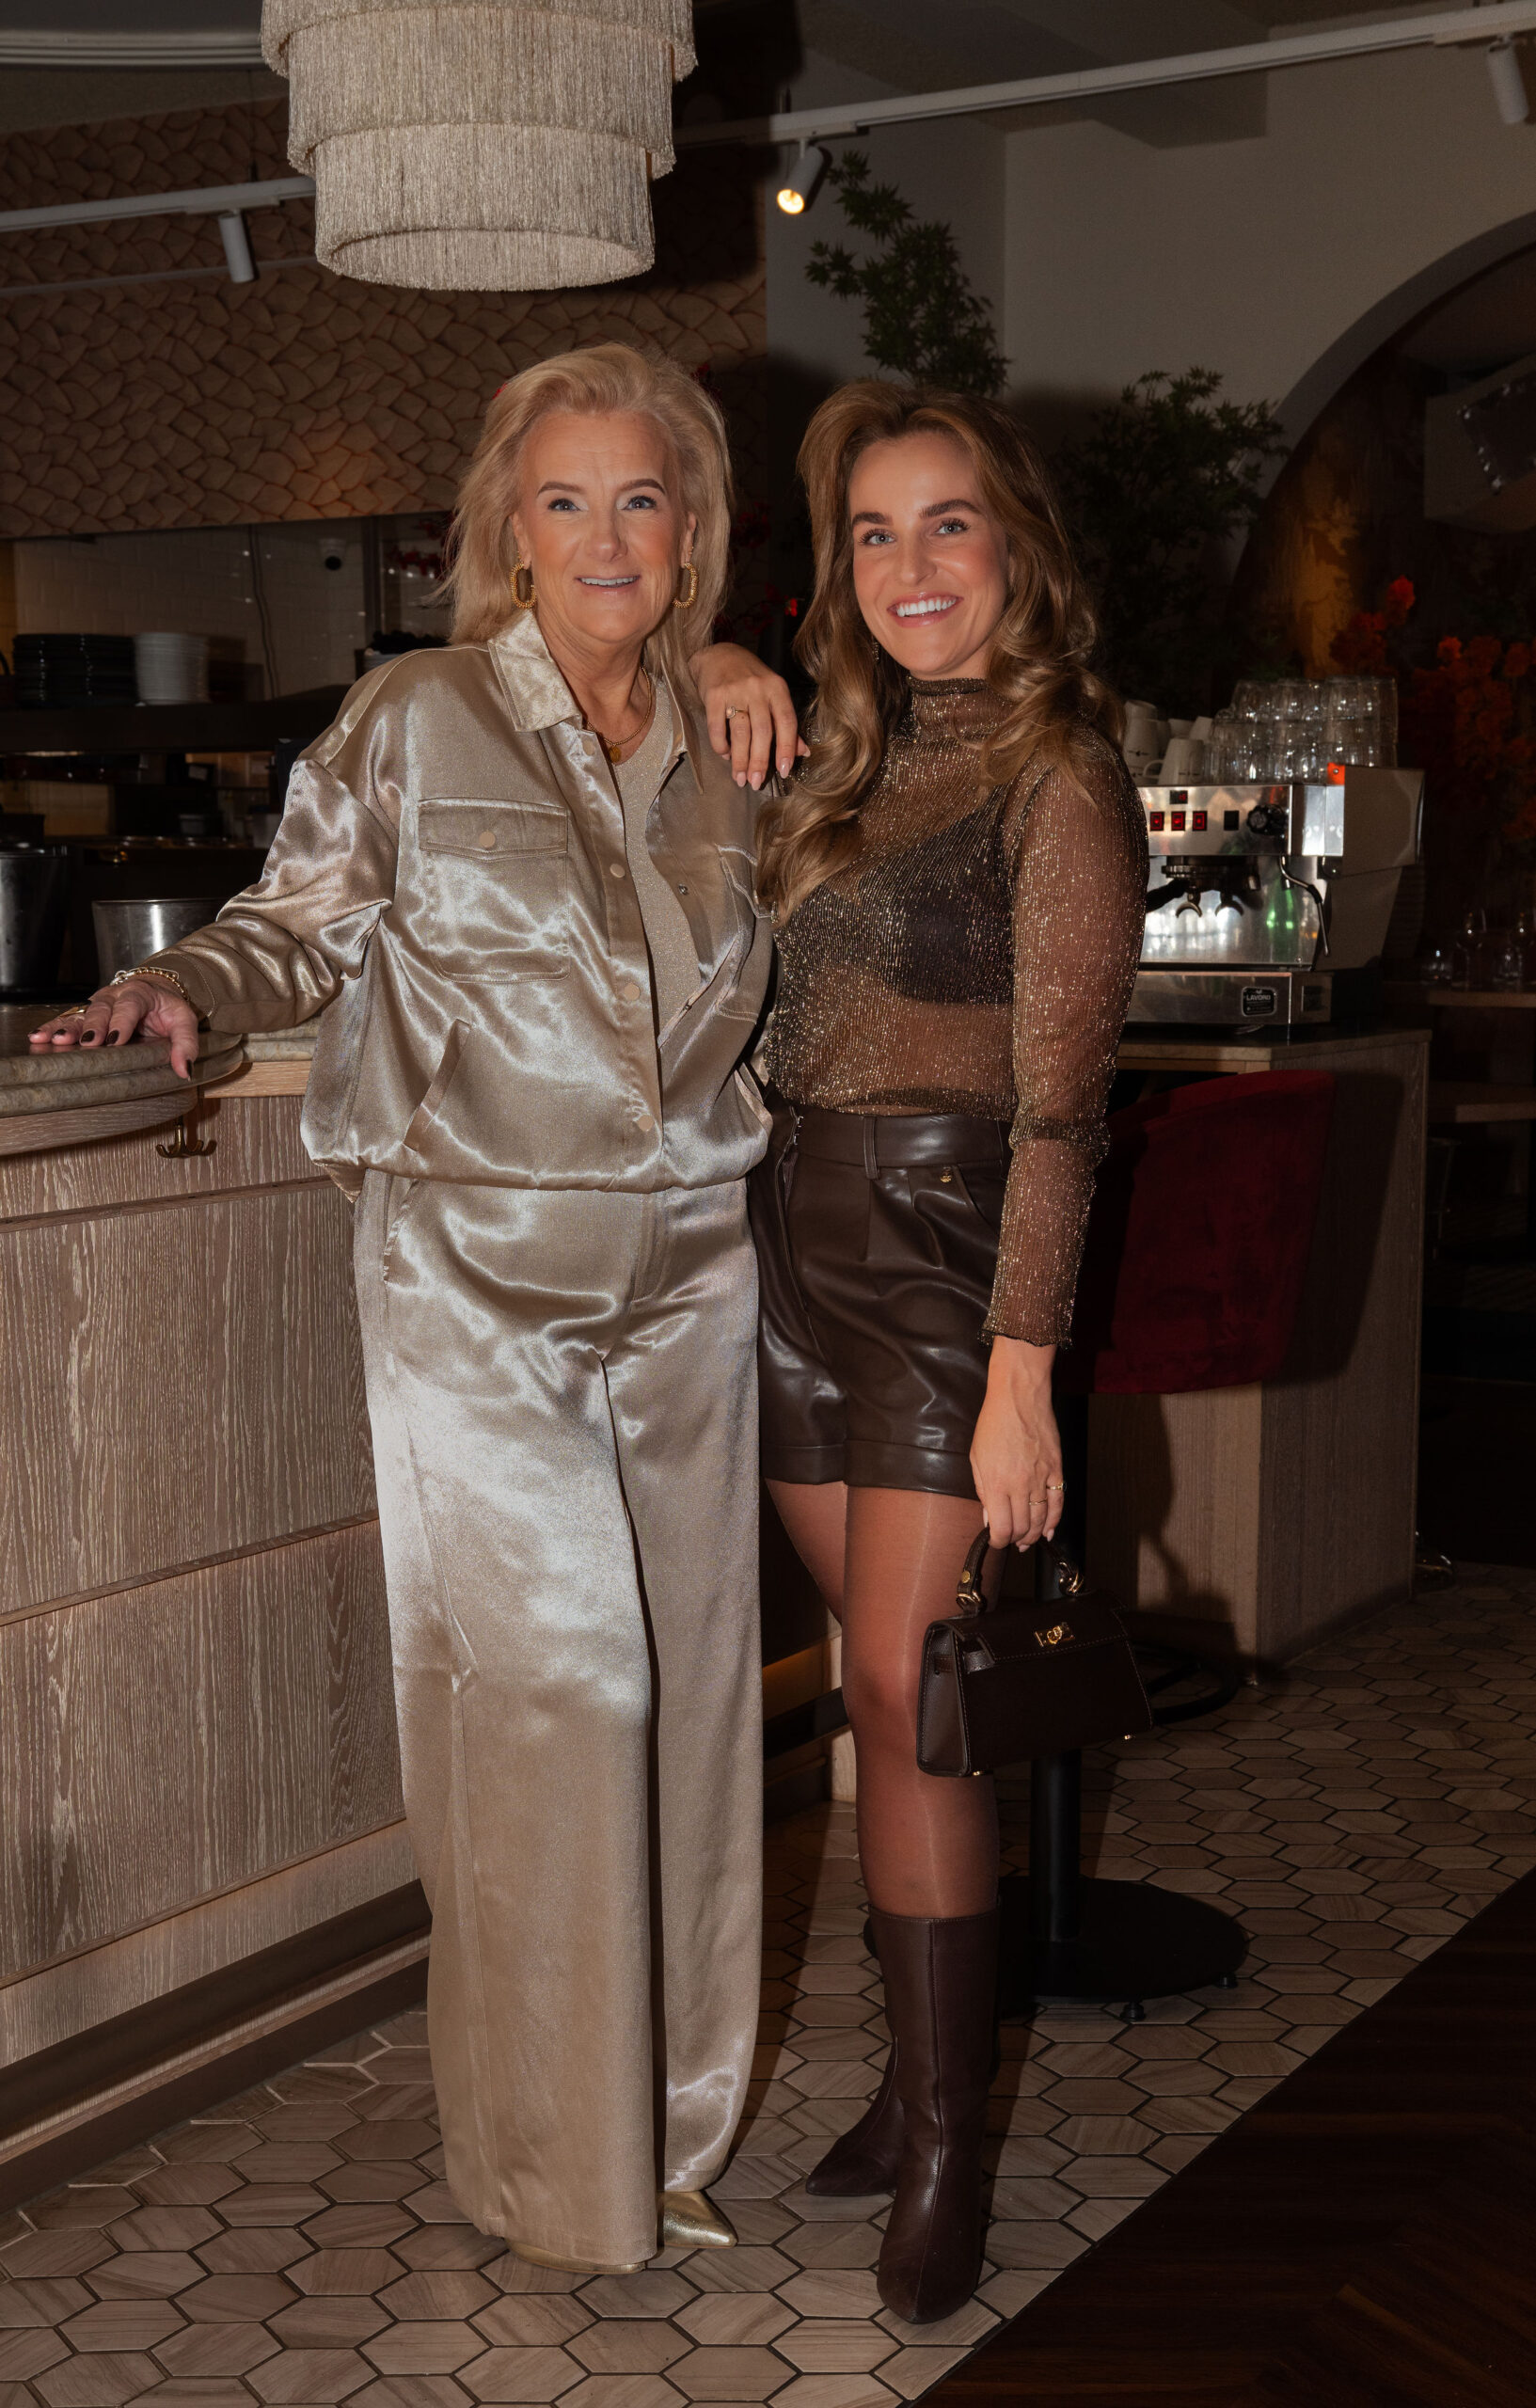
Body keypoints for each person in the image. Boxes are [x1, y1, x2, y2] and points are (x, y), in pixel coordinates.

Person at [31, 344, 775, 2277]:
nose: (603, 535)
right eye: (563, 499)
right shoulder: (416, 716)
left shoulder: (725, 738)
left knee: (697, 1707)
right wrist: (179, 985)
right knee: (559, 1700)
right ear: (505, 529)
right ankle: (554, 2166)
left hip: (694, 1264)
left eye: (639, 498)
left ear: (689, 525)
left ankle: (671, 2128)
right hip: (480, 1270)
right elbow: (297, 922)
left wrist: (737, 662)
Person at [696, 381, 1147, 2322]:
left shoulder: (1062, 773)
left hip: (948, 1258)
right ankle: (911, 2081)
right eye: (872, 534)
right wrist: (714, 652)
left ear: (1014, 540)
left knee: (907, 1683)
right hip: (784, 1246)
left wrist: (1022, 1371)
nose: (911, 566)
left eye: (946, 522)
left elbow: (1064, 1110)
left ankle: (951, 2140)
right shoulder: (835, 760)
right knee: (878, 1699)